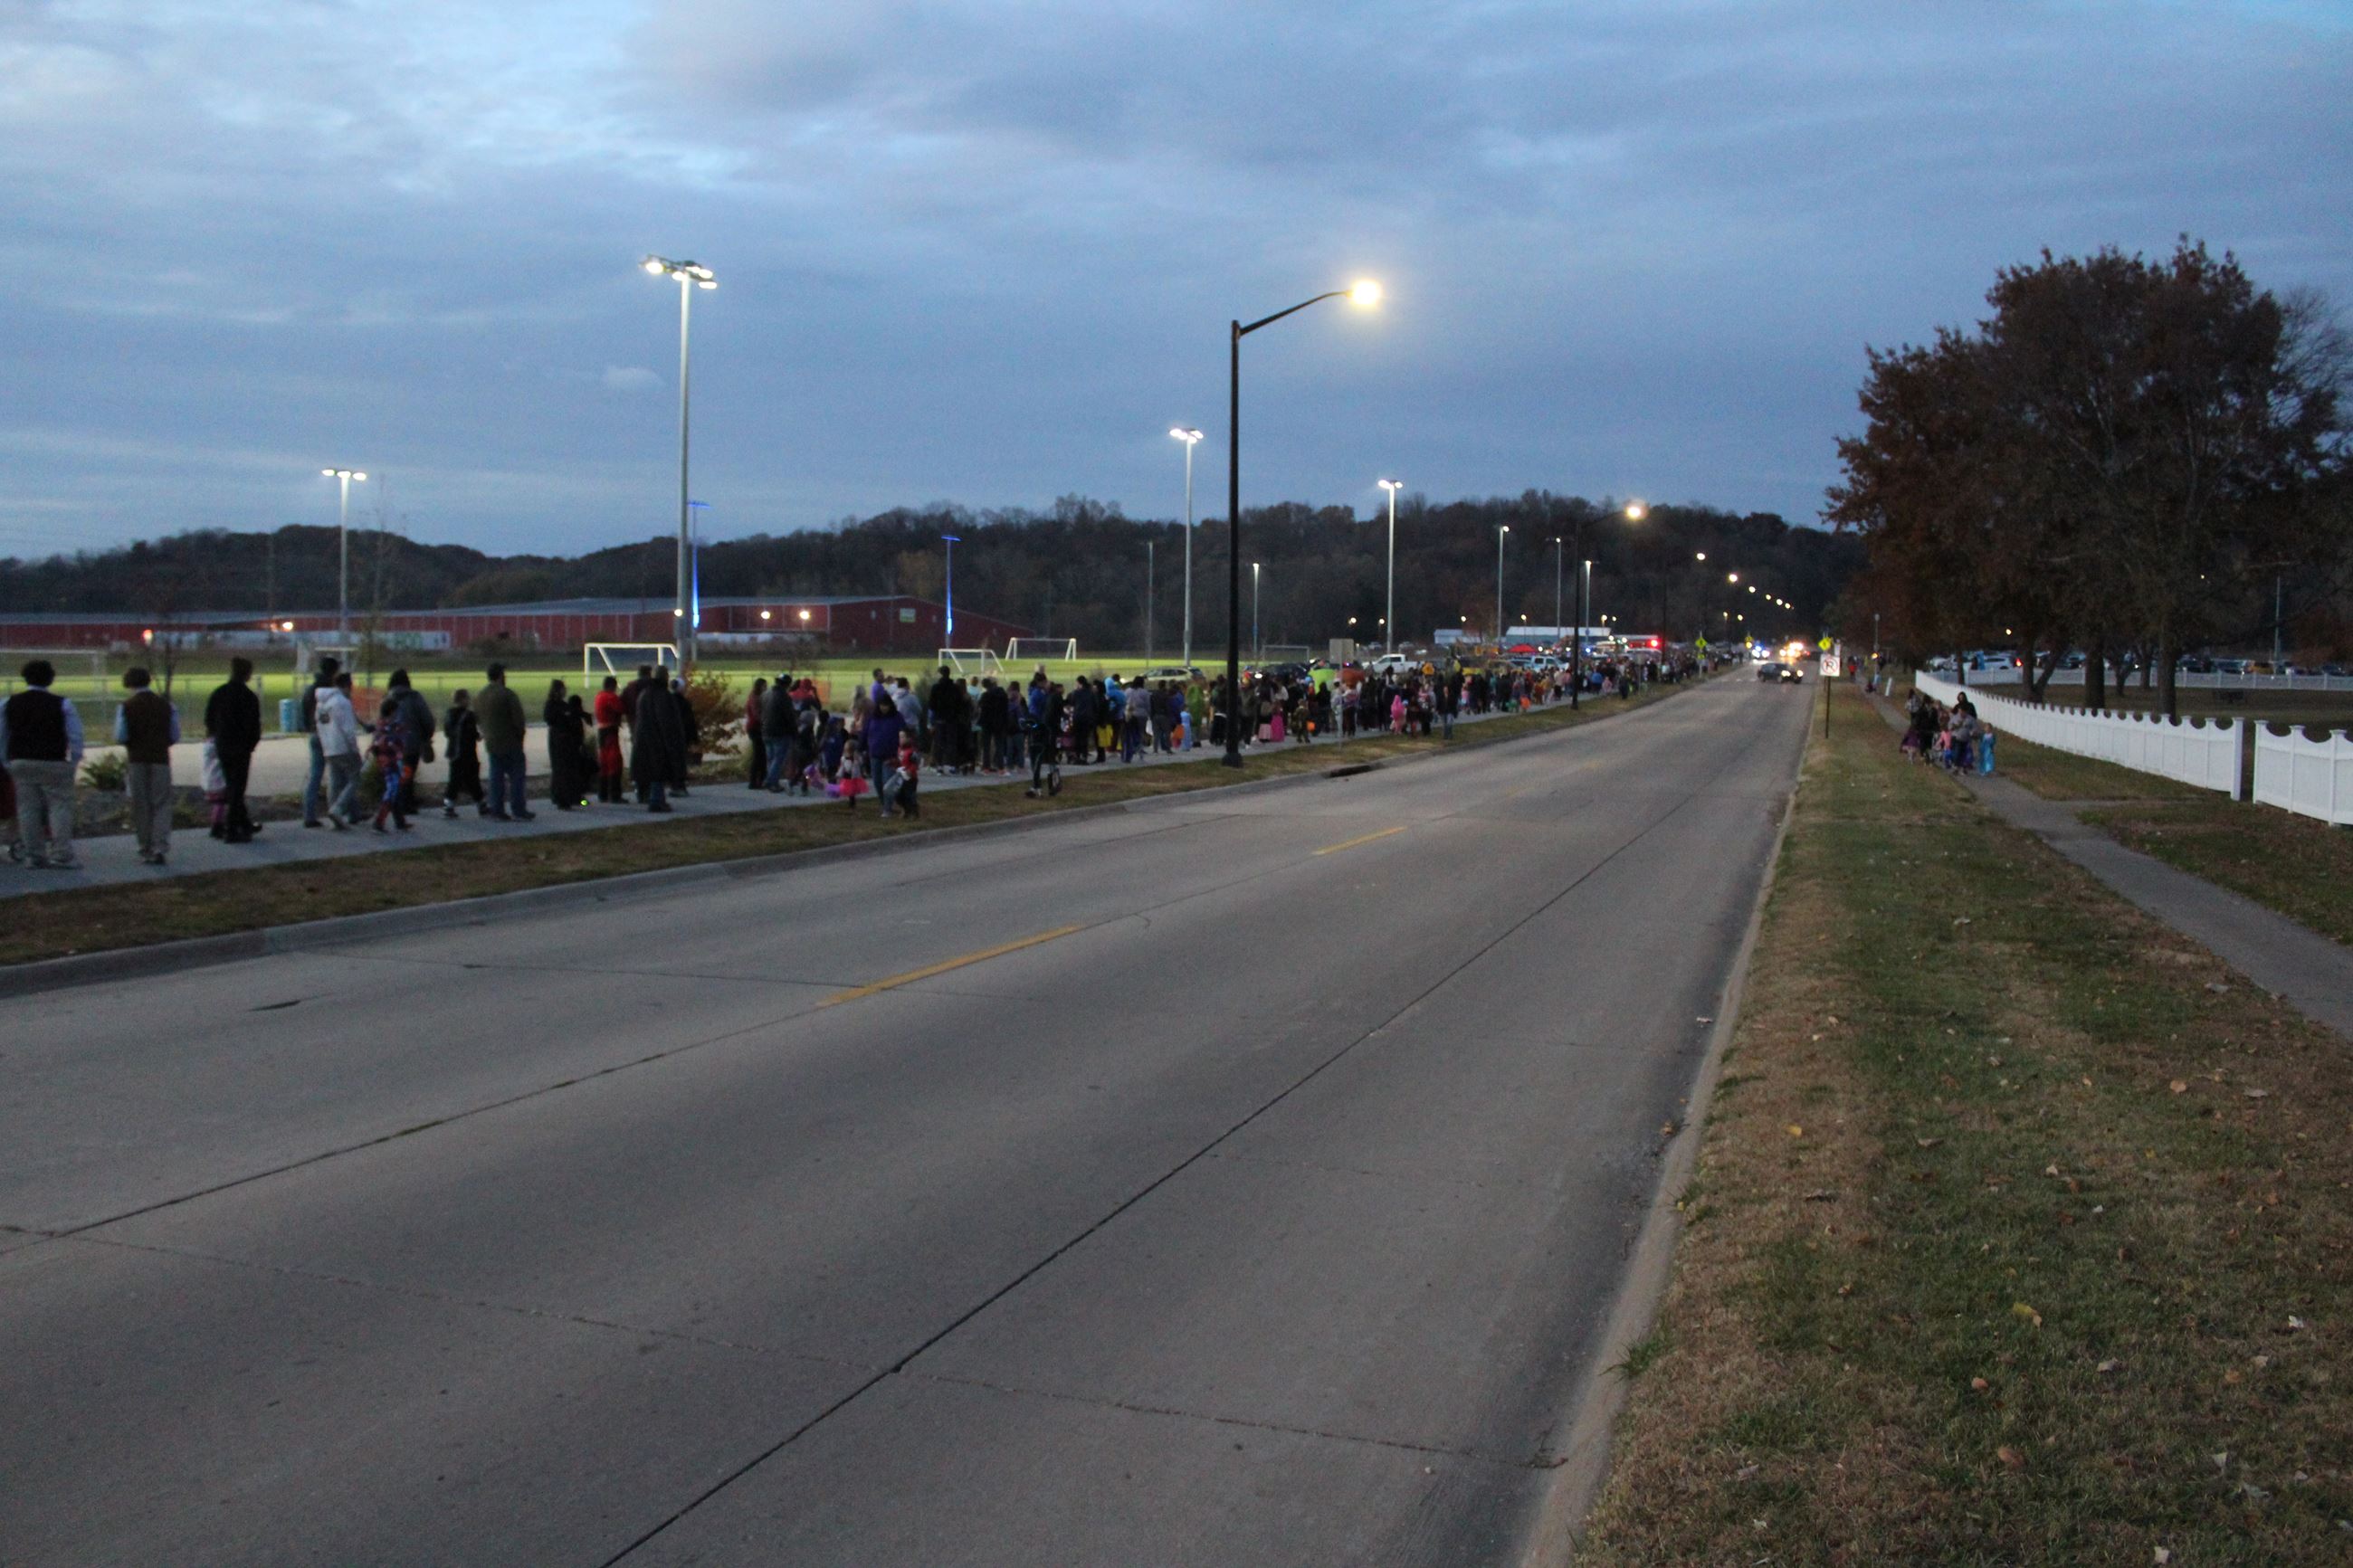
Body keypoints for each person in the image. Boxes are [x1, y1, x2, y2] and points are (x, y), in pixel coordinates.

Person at [3, 658, 85, 868]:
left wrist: (6, 761)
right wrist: (74, 760)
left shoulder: (8, 703)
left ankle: (34, 855)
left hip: (21, 761)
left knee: (27, 809)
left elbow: (2, 735)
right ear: (50, 679)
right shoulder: (62, 703)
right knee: (59, 807)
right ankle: (61, 854)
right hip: (54, 761)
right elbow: (75, 735)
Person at [114, 666, 179, 865]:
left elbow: (120, 736)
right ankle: (160, 846)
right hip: (160, 759)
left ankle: (145, 846)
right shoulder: (167, 706)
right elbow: (175, 735)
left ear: (129, 684)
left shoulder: (126, 706)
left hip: (137, 759)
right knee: (161, 804)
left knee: (141, 805)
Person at [204, 656, 263, 844]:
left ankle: (243, 823)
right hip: (241, 747)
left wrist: (217, 735)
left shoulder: (220, 693)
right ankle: (232, 828)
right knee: (237, 787)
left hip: (223, 744)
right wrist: (251, 744)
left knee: (231, 784)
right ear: (247, 674)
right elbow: (254, 724)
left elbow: (209, 719)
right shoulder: (248, 697)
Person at [475, 662, 531, 821]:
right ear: (500, 675)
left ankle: (497, 809)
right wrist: (519, 736)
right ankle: (518, 809)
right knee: (517, 777)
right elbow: (519, 720)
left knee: (496, 777)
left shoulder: (480, 696)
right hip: (510, 742)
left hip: (492, 742)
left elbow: (478, 719)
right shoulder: (507, 695)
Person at [632, 672, 687, 812]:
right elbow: (665, 721)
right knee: (658, 771)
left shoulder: (644, 694)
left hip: (643, 738)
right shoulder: (662, 696)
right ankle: (656, 800)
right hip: (657, 740)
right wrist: (672, 739)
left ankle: (649, 796)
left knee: (650, 770)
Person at [318, 671, 363, 829]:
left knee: (335, 782)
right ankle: (338, 808)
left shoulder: (322, 703)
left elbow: (321, 725)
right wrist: (354, 748)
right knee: (355, 778)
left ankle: (335, 815)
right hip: (343, 747)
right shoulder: (342, 702)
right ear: (346, 686)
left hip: (329, 747)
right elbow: (348, 729)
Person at [300, 655, 340, 828]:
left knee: (315, 774)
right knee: (338, 773)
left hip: (314, 733)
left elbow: (304, 709)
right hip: (327, 734)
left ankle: (309, 814)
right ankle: (340, 810)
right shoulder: (330, 690)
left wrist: (309, 726)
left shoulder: (311, 689)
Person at [442, 689, 485, 817]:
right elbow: (471, 733)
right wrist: (478, 736)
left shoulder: (449, 714)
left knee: (454, 779)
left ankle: (449, 805)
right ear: (463, 700)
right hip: (467, 752)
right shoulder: (469, 715)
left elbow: (447, 732)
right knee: (473, 779)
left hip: (454, 752)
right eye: (467, 698)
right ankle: (481, 804)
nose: (469, 700)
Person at [545, 679, 587, 809]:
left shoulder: (563, 705)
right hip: (559, 740)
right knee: (561, 769)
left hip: (567, 741)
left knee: (567, 769)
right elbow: (550, 719)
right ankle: (561, 799)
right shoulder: (553, 705)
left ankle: (571, 797)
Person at [864, 694, 905, 817]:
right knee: (877, 782)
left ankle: (887, 808)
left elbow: (903, 732)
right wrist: (861, 748)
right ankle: (885, 804)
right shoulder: (872, 718)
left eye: (886, 705)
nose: (884, 708)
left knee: (888, 783)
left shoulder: (897, 717)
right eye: (882, 705)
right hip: (875, 754)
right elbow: (865, 733)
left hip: (891, 755)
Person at [760, 675, 796, 791]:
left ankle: (770, 780)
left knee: (770, 758)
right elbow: (789, 717)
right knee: (778, 758)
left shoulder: (766, 694)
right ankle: (772, 782)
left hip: (766, 730)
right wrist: (794, 732)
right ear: (786, 684)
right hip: (780, 732)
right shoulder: (784, 697)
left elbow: (761, 711)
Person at [594, 675, 626, 803]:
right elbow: (621, 708)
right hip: (610, 731)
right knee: (614, 761)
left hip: (601, 731)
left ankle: (603, 793)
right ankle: (615, 794)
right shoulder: (611, 697)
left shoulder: (599, 696)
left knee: (604, 762)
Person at [744, 678, 768, 790]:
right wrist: (766, 720)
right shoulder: (755, 698)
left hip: (757, 727)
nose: (766, 688)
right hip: (755, 727)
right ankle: (754, 781)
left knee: (761, 755)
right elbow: (756, 714)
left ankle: (761, 779)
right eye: (764, 686)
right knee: (759, 755)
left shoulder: (759, 697)